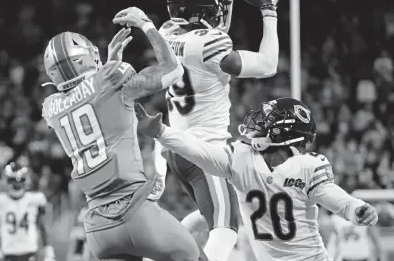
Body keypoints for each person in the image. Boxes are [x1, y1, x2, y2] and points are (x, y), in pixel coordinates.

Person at [41, 7, 207, 261]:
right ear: (86, 58)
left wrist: (107, 67)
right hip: (136, 211)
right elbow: (173, 70)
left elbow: (88, 102)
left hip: (98, 228)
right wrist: (146, 24)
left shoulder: (51, 107)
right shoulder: (112, 78)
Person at [135, 97, 379, 261]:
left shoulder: (308, 166)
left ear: (283, 132)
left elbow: (340, 201)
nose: (259, 124)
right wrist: (161, 132)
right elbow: (199, 150)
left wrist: (358, 209)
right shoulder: (241, 157)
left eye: (268, 121)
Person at [153, 0, 280, 261]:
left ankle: (160, 252)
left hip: (178, 147)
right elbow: (267, 65)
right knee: (226, 229)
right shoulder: (210, 45)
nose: (218, 13)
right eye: (212, 10)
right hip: (206, 151)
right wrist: (269, 11)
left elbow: (208, 36)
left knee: (222, 207)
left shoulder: (166, 33)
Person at [0, 162, 55, 261]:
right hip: (8, 254)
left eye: (20, 180)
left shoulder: (35, 199)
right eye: (13, 180)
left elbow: (43, 226)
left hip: (30, 253)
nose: (16, 183)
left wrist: (49, 252)